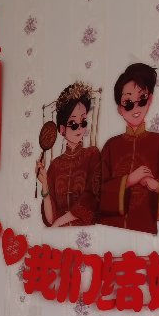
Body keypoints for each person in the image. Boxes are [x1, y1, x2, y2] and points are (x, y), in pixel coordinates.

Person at [97, 63, 159, 234]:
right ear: (119, 109)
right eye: (128, 103)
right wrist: (129, 180)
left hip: (144, 231)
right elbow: (96, 192)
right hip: (109, 232)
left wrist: (156, 185)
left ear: (149, 100)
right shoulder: (111, 146)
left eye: (141, 99)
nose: (135, 108)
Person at [36, 81, 101, 227]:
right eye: (73, 124)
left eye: (83, 122)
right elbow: (50, 219)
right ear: (62, 129)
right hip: (59, 237)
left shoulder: (92, 155)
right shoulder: (55, 166)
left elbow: (91, 198)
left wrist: (60, 221)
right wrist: (45, 183)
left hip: (87, 234)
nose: (79, 128)